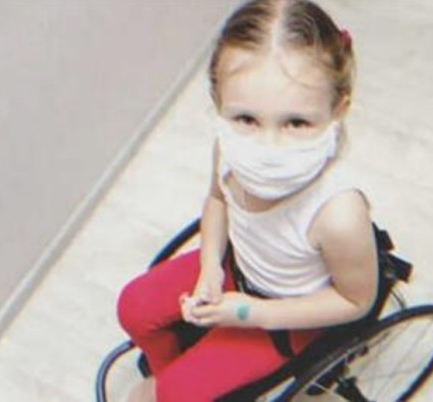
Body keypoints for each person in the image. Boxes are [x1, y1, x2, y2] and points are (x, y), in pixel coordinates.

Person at [117, 1, 378, 400]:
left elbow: (355, 300)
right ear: (219, 104)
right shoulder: (230, 151)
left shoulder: (338, 212)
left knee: (177, 393)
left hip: (288, 313)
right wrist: (209, 267)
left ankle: (174, 387)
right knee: (133, 306)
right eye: (246, 119)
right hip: (236, 267)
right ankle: (167, 374)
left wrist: (253, 313)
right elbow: (217, 201)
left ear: (337, 109)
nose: (268, 147)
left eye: (296, 122)